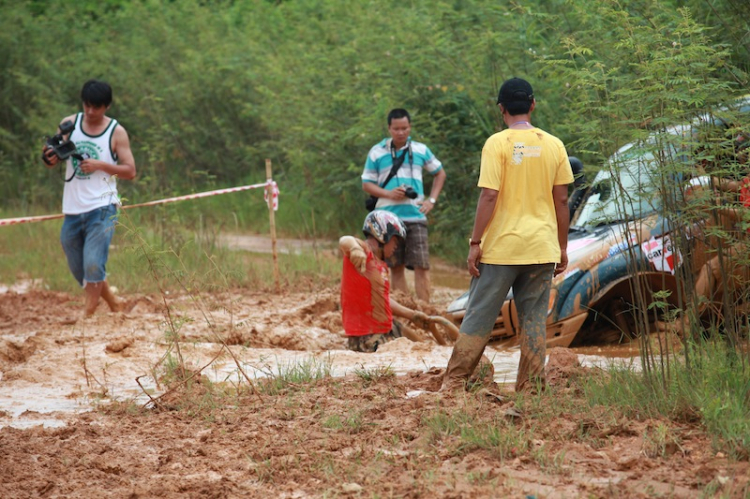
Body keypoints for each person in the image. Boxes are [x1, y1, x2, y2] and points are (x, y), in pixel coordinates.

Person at [441, 77, 574, 393]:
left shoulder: (496, 144)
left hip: (501, 249)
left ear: (501, 109)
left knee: (479, 316)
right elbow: (562, 200)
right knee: (533, 321)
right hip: (542, 248)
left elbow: (489, 195)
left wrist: (475, 243)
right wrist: (562, 247)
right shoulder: (554, 145)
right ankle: (531, 387)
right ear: (532, 105)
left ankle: (455, 381)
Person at [42, 79, 136, 318]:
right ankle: (114, 304)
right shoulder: (69, 124)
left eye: (96, 107)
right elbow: (52, 157)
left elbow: (130, 171)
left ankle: (88, 315)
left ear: (106, 106)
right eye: (87, 106)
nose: (91, 112)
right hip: (72, 208)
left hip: (102, 206)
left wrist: (101, 165)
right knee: (80, 268)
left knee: (93, 263)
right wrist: (49, 158)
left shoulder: (116, 131)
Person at [339, 210, 457, 352]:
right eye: (395, 240)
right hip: (367, 337)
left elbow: (383, 299)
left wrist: (412, 315)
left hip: (385, 328)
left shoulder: (381, 265)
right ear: (383, 235)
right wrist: (354, 249)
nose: (396, 246)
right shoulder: (364, 252)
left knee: (424, 347)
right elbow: (345, 240)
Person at [362, 108, 446, 303]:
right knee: (395, 266)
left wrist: (431, 200)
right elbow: (366, 184)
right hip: (387, 219)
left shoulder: (420, 150)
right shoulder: (376, 152)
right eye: (396, 128)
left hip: (415, 215)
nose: (401, 132)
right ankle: (406, 309)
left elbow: (440, 173)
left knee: (422, 265)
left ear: (410, 127)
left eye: (405, 128)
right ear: (389, 128)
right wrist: (389, 194)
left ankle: (425, 310)